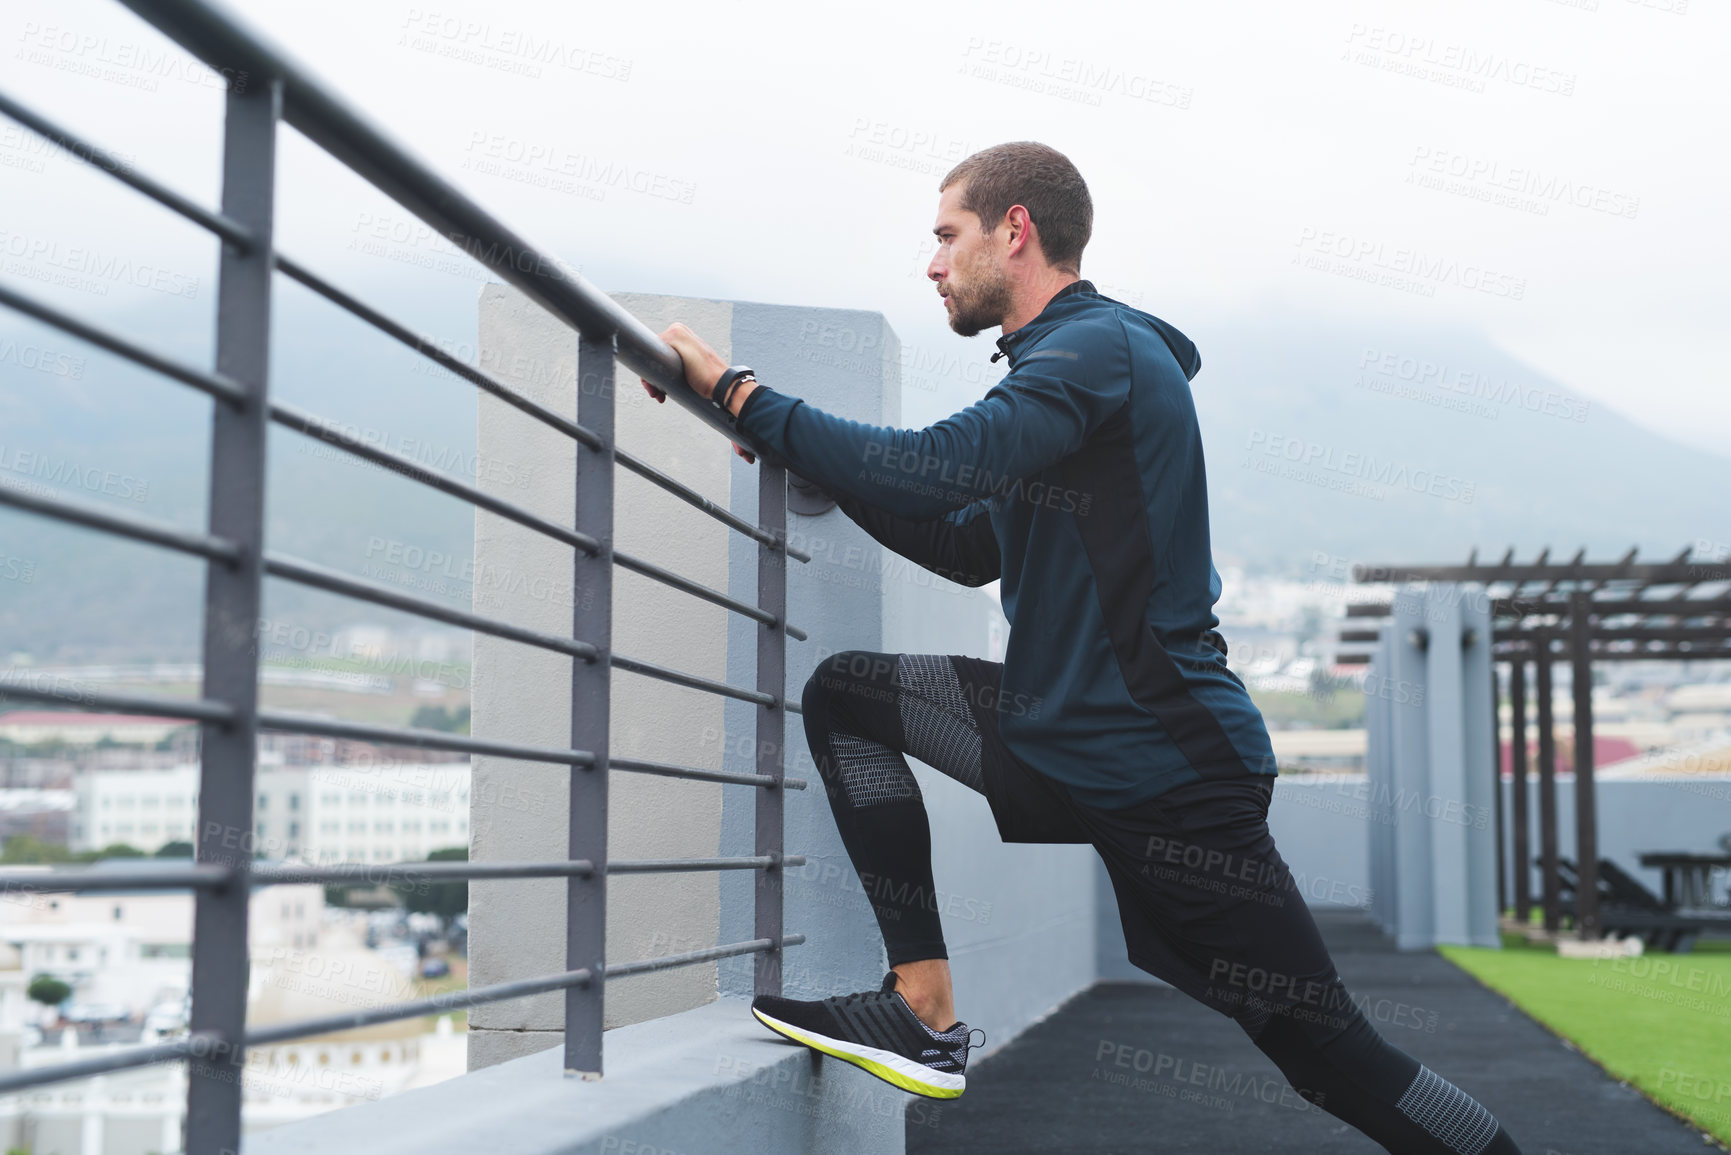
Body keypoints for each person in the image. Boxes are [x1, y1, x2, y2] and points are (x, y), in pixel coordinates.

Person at [642, 142, 1523, 1155]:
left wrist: (746, 399)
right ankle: (922, 1009)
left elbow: (933, 468)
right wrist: (819, 463)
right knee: (847, 698)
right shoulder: (1064, 374)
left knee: (1330, 1056)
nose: (932, 264)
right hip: (1069, 741)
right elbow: (968, 541)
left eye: (945, 236)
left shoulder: (1092, 353)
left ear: (1014, 229)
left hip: (1169, 772)